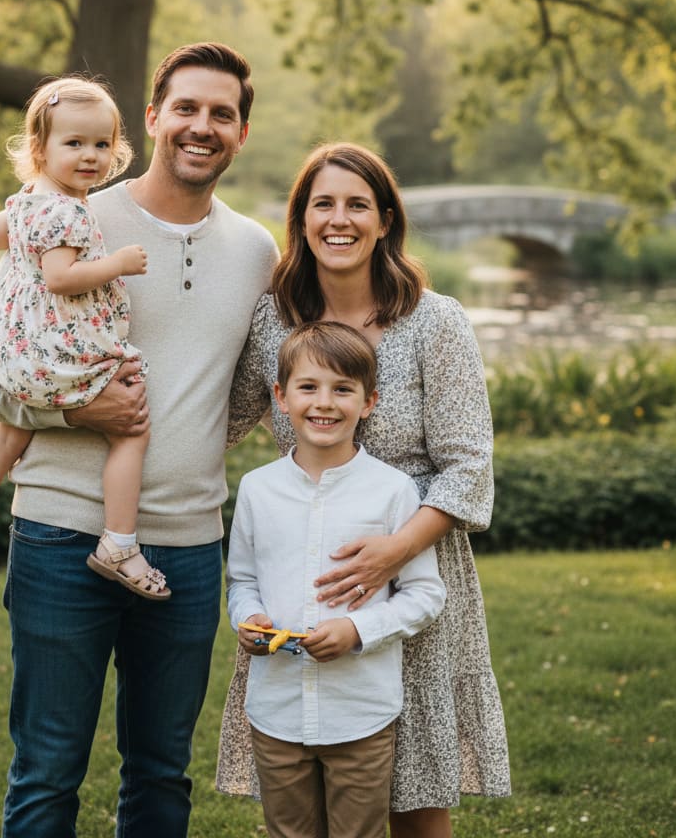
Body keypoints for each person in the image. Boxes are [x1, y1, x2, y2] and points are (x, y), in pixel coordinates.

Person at [0, 42, 278, 838]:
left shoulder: (256, 250)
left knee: (163, 776)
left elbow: (248, 390)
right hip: (61, 535)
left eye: (221, 114)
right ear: (154, 118)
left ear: (241, 133)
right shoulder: (72, 213)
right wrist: (75, 413)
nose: (202, 126)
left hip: (188, 549)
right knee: (48, 772)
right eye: (186, 109)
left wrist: (197, 447)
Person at [217, 142, 511, 838]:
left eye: (356, 205)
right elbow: (217, 422)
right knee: (304, 789)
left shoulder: (435, 321)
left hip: (413, 571)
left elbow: (469, 466)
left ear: (385, 220)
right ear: (302, 218)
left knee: (414, 791)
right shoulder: (271, 322)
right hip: (303, 574)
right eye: (323, 204)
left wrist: (389, 554)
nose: (338, 219)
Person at [0, 75, 169, 603]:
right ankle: (119, 545)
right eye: (74, 143)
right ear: (40, 149)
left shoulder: (29, 201)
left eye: (101, 144)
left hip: (18, 353)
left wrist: (23, 223)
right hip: (62, 353)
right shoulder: (68, 210)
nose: (91, 157)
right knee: (132, 430)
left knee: (8, 435)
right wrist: (117, 264)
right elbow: (61, 278)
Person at [228, 321, 447, 838]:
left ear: (368, 402)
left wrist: (358, 630)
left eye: (342, 389)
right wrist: (248, 618)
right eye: (308, 387)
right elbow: (241, 580)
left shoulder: (393, 493)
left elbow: (425, 593)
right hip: (276, 712)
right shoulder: (257, 490)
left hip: (362, 715)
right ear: (281, 398)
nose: (324, 403)